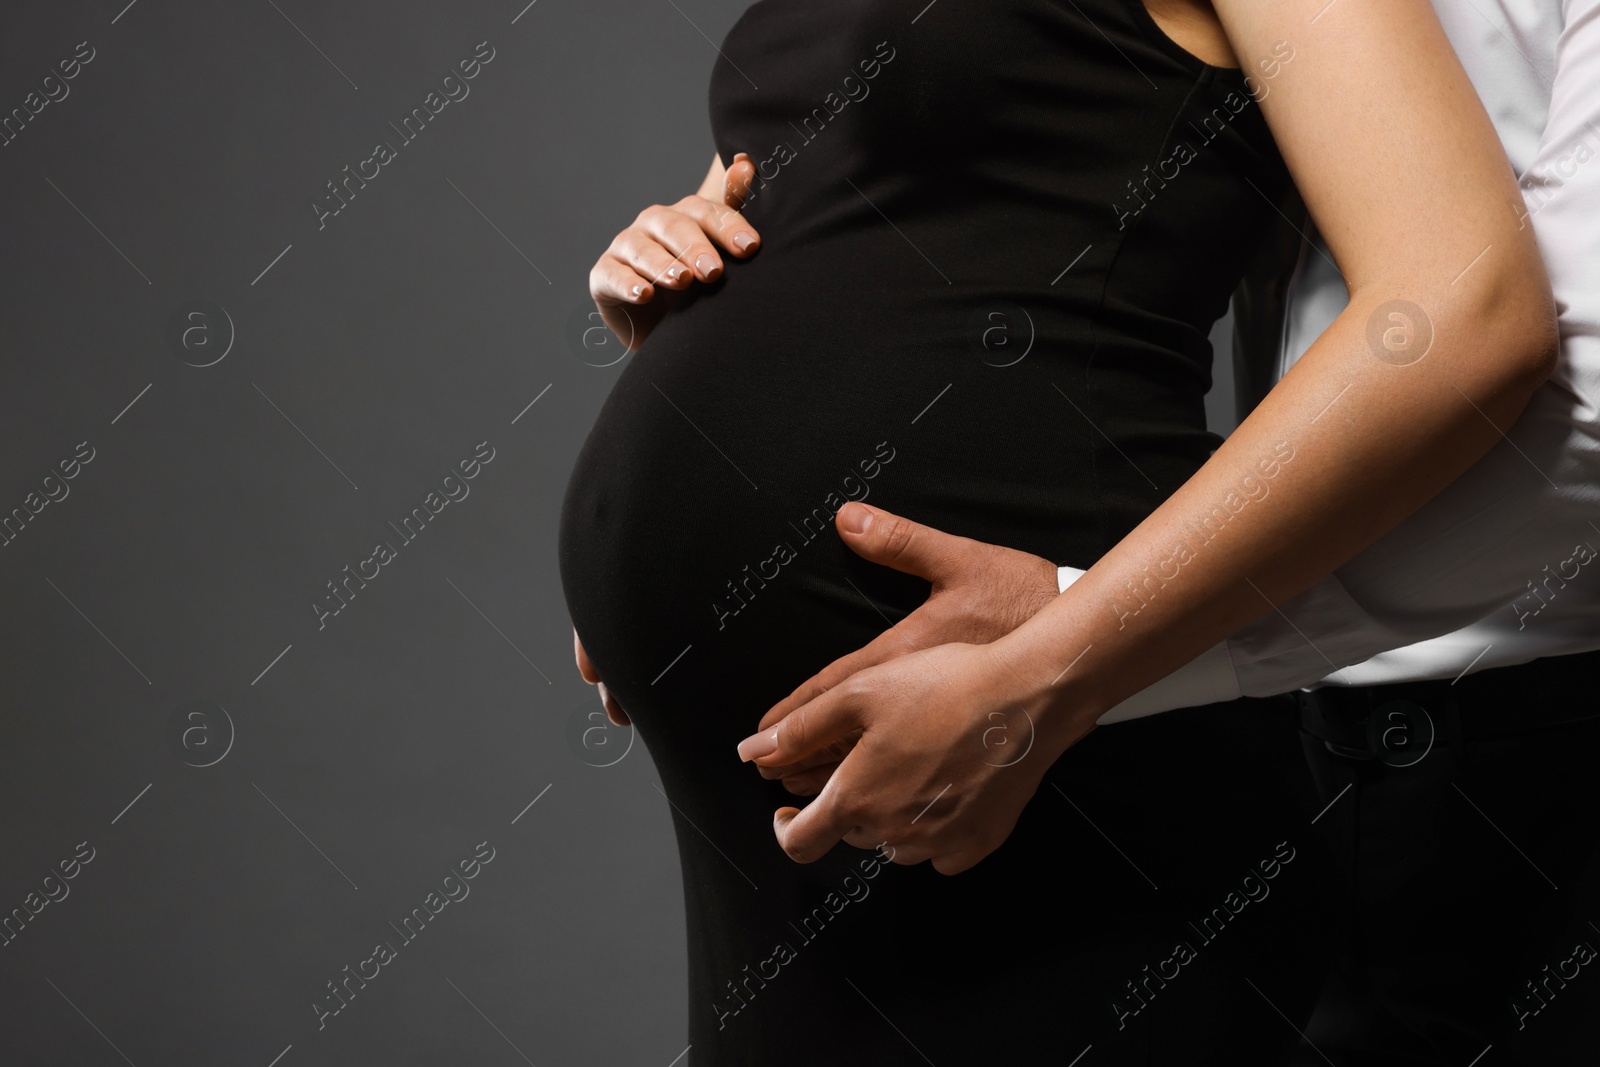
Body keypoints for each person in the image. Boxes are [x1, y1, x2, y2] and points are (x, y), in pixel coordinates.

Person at [559, 0, 1557, 1061]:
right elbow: (871, 217)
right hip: (789, 782)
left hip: (1049, 736)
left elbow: (1466, 308)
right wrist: (677, 293)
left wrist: (1042, 675)